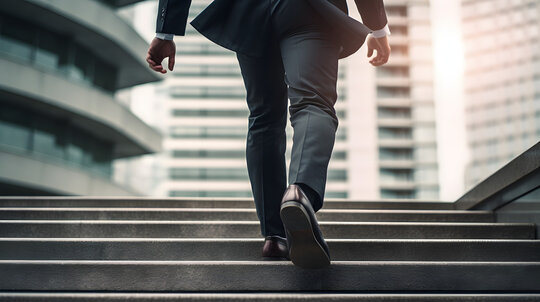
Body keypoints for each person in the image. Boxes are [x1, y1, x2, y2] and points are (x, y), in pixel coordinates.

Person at [147, 0, 391, 269]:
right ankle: (301, 192)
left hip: (250, 10)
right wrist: (377, 27)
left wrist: (165, 31)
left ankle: (275, 236)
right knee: (313, 103)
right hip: (309, 11)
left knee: (264, 118)